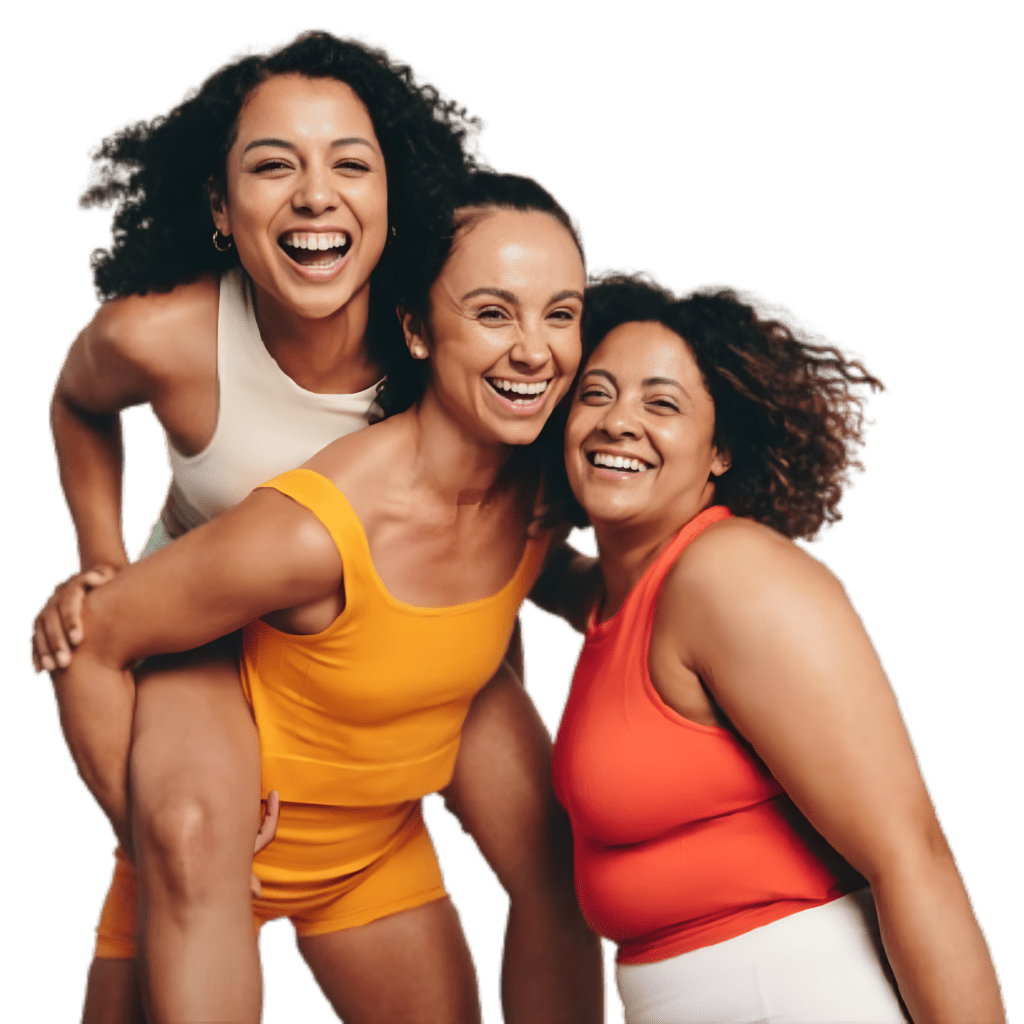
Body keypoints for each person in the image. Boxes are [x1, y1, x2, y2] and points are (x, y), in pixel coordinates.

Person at [32, 29, 601, 1024]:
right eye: (271, 165)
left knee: (554, 847)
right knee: (188, 839)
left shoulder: (448, 323)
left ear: (396, 197)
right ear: (219, 205)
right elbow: (77, 405)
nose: (314, 196)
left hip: (395, 624)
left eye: (349, 162)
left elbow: (484, 493)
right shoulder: (165, 336)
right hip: (207, 630)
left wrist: (582, 585)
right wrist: (99, 556)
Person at [539, 272, 1007, 1023]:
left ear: (720, 449)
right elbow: (534, 566)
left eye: (662, 403)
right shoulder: (624, 597)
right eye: (595, 394)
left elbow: (911, 855)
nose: (618, 421)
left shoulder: (730, 577)